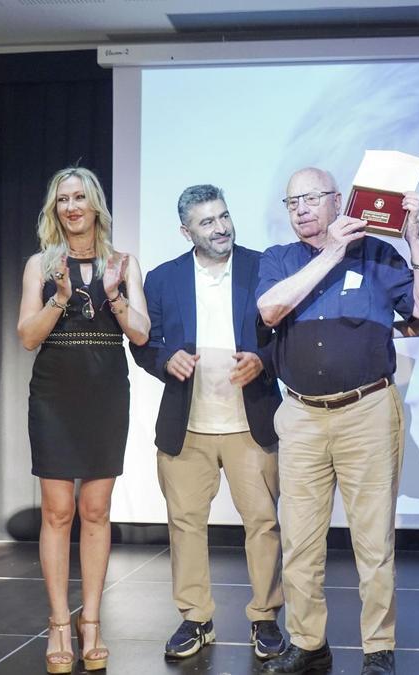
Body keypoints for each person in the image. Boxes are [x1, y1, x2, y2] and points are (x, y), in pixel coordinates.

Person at [256, 168, 419, 675]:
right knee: (299, 539)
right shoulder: (279, 260)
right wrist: (331, 254)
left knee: (373, 540)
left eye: (312, 198)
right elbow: (271, 310)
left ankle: (378, 649)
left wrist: (414, 239)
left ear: (340, 202)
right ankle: (308, 640)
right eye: (292, 201)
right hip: (300, 415)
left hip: (367, 411)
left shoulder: (378, 254)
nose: (301, 209)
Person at [131, 184, 286, 661]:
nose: (220, 228)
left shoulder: (265, 266)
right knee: (185, 525)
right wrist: (164, 360)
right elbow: (143, 343)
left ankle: (265, 619)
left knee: (262, 523)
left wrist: (263, 359)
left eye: (223, 216)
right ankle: (195, 619)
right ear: (186, 231)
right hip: (187, 425)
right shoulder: (162, 280)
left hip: (251, 421)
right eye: (207, 222)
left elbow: (290, 334)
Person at [17, 166, 150, 674]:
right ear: (55, 209)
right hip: (54, 394)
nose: (71, 206)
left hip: (105, 393)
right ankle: (57, 623)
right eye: (62, 199)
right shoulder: (41, 264)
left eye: (79, 197)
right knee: (57, 512)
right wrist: (60, 299)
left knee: (95, 509)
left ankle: (90, 621)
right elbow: (28, 336)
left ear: (95, 204)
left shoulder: (122, 262)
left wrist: (113, 294)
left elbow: (139, 334)